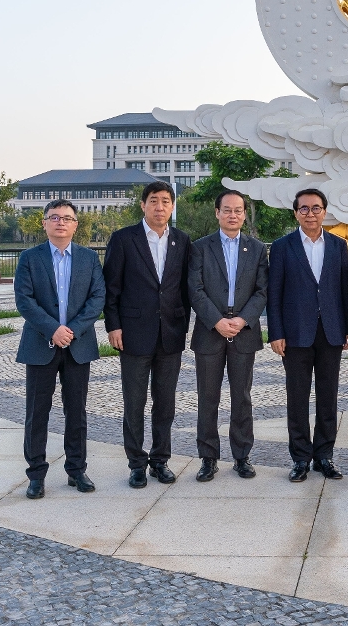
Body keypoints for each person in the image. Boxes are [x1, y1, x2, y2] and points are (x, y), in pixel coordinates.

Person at [13, 199, 106, 499]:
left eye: (67, 218)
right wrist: (53, 329)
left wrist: (71, 330)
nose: (61, 222)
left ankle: (76, 470)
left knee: (76, 411)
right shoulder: (30, 258)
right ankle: (36, 474)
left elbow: (97, 298)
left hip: (78, 345)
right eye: (54, 217)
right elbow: (24, 300)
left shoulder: (89, 258)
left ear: (75, 225)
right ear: (44, 223)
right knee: (37, 412)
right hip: (41, 344)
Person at [103, 180, 191, 488]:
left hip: (170, 334)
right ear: (143, 205)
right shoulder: (123, 239)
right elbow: (111, 288)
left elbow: (185, 288)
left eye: (165, 201)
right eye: (154, 200)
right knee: (135, 402)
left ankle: (160, 460)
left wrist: (183, 324)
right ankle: (136, 464)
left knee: (165, 403)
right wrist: (113, 325)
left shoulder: (182, 240)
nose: (159, 206)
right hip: (133, 333)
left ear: (172, 206)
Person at [267, 188, 348, 482]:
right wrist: (276, 332)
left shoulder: (339, 246)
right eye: (304, 208)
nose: (310, 213)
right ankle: (301, 458)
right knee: (297, 398)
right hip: (295, 334)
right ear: (296, 213)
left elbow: (346, 290)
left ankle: (324, 456)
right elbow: (274, 293)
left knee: (328, 397)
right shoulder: (282, 247)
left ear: (324, 212)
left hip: (331, 332)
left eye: (316, 208)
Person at [188, 189, 269, 482]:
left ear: (244, 214)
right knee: (207, 397)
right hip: (210, 331)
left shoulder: (256, 248)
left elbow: (262, 290)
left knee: (242, 397)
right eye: (227, 210)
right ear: (217, 213)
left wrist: (243, 319)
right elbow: (195, 289)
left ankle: (242, 456)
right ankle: (208, 458)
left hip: (243, 331)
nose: (232, 215)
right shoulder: (200, 247)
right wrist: (217, 321)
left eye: (238, 210)